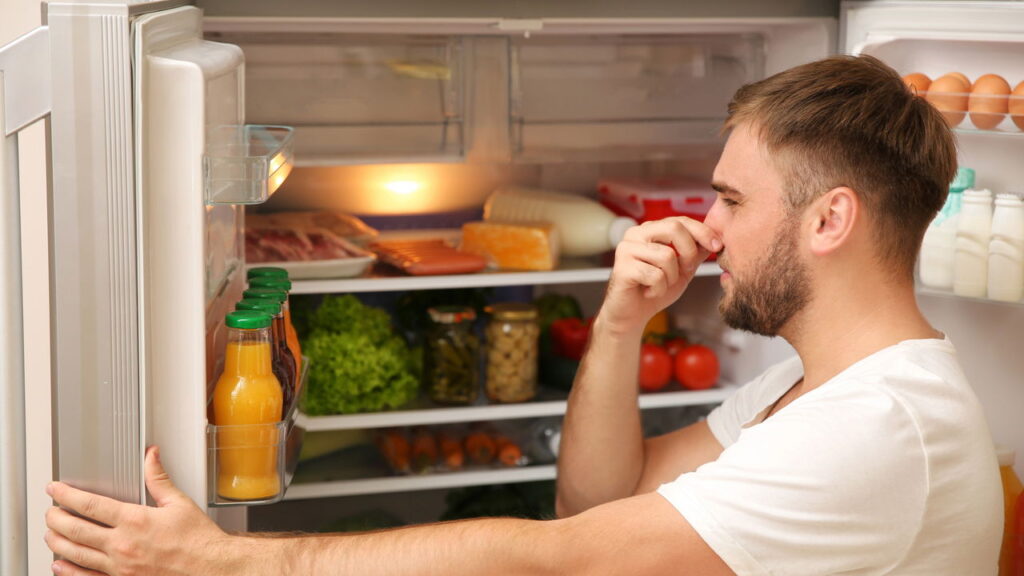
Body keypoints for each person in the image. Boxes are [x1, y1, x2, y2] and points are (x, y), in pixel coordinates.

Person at [43, 54, 1002, 576]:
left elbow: (567, 558)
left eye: (733, 201)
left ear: (831, 219)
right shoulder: (811, 388)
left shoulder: (880, 429)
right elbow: (596, 499)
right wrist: (622, 320)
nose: (707, 229)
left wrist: (237, 568)